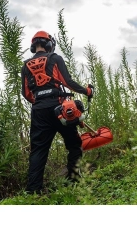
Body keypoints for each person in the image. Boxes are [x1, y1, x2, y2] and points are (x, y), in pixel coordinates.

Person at [21, 30, 94, 194]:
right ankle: (75, 180)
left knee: (38, 150)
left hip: (39, 111)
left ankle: (33, 192)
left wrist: (40, 102)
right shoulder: (54, 59)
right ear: (49, 44)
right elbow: (68, 82)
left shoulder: (25, 65)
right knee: (74, 144)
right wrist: (86, 91)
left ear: (34, 45)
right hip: (60, 108)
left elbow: (26, 93)